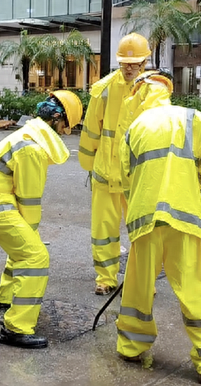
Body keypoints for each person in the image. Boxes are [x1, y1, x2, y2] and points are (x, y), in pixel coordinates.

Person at [116, 70, 201, 385]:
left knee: (139, 287)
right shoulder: (187, 118)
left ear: (139, 95)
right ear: (167, 92)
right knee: (195, 286)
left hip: (146, 218)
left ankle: (131, 346)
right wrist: (200, 176)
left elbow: (126, 178)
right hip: (183, 215)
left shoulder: (134, 129)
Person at [0, 91, 83, 349]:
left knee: (23, 247)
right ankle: (16, 328)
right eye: (66, 126)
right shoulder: (32, 148)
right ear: (57, 119)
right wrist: (32, 230)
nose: (66, 132)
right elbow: (29, 199)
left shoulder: (29, 137)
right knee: (35, 256)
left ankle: (4, 298)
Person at [78, 32, 152, 295]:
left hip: (137, 174)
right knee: (104, 231)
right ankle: (105, 278)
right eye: (125, 62)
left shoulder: (152, 91)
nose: (130, 67)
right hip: (105, 173)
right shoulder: (104, 89)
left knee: (142, 231)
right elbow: (91, 129)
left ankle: (143, 281)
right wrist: (88, 164)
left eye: (135, 62)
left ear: (145, 62)